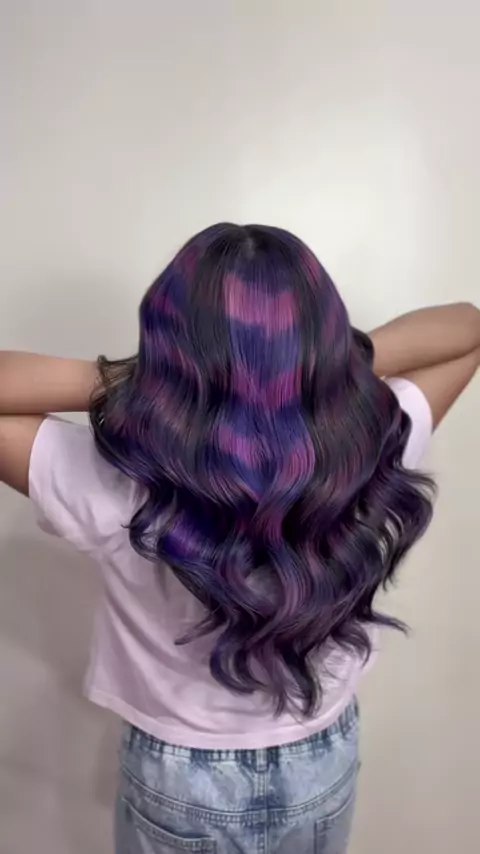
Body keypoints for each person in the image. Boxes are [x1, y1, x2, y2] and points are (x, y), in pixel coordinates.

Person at [0, 223, 478, 854]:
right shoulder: (368, 450)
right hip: (320, 753)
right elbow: (467, 326)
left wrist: (157, 382)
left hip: (181, 773)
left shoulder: (113, 477)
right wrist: (322, 368)